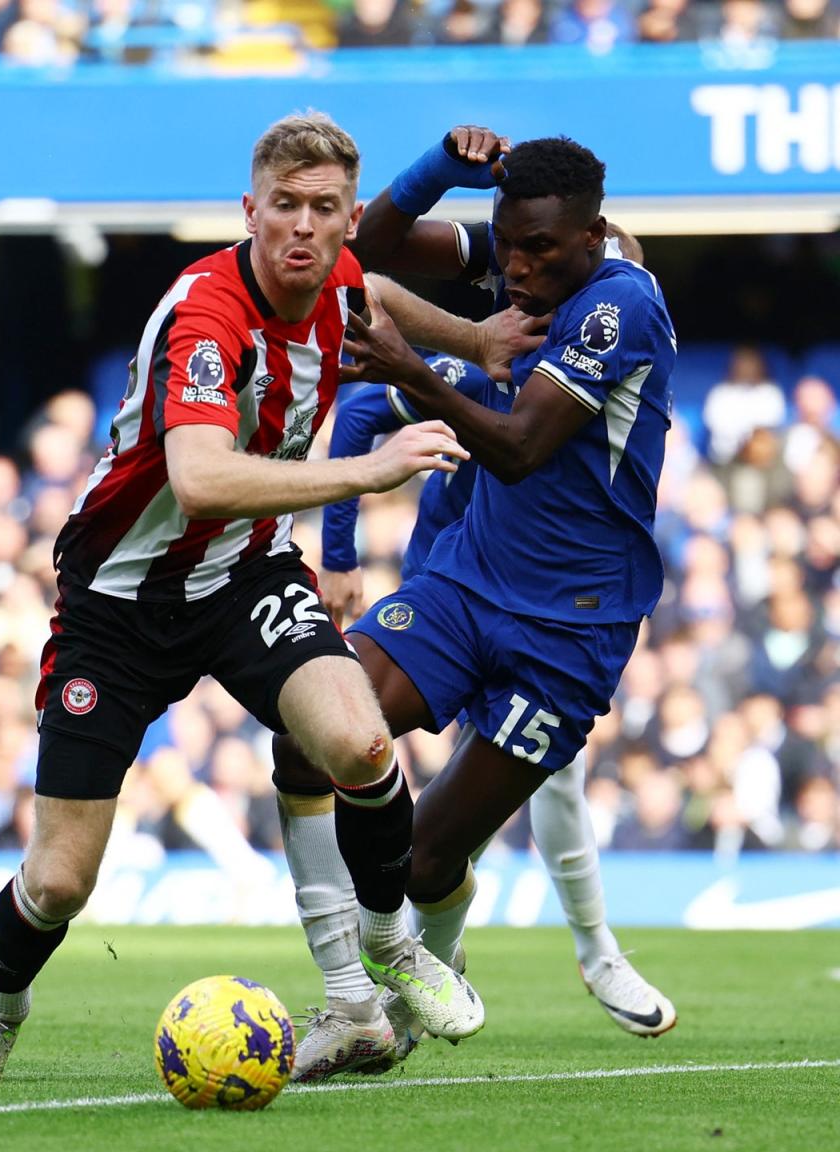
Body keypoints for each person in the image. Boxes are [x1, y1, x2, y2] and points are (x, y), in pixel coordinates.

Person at [0, 111, 484, 1084]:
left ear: (349, 219)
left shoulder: (343, 279)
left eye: (324, 209)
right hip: (119, 601)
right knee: (61, 880)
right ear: (250, 208)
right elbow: (200, 479)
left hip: (244, 573)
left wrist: (478, 339)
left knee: (359, 740)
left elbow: (384, 291)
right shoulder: (207, 316)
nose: (303, 229)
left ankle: (390, 943)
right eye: (284, 207)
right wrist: (366, 470)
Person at [275, 126, 678, 1080]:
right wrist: (436, 173)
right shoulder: (526, 251)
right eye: (511, 242)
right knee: (311, 731)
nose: (521, 267)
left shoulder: (620, 305)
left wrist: (413, 366)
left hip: (571, 630)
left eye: (542, 249)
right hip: (464, 584)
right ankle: (354, 994)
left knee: (420, 859)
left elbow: (519, 446)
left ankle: (477, 961)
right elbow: (367, 248)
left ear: (593, 236)